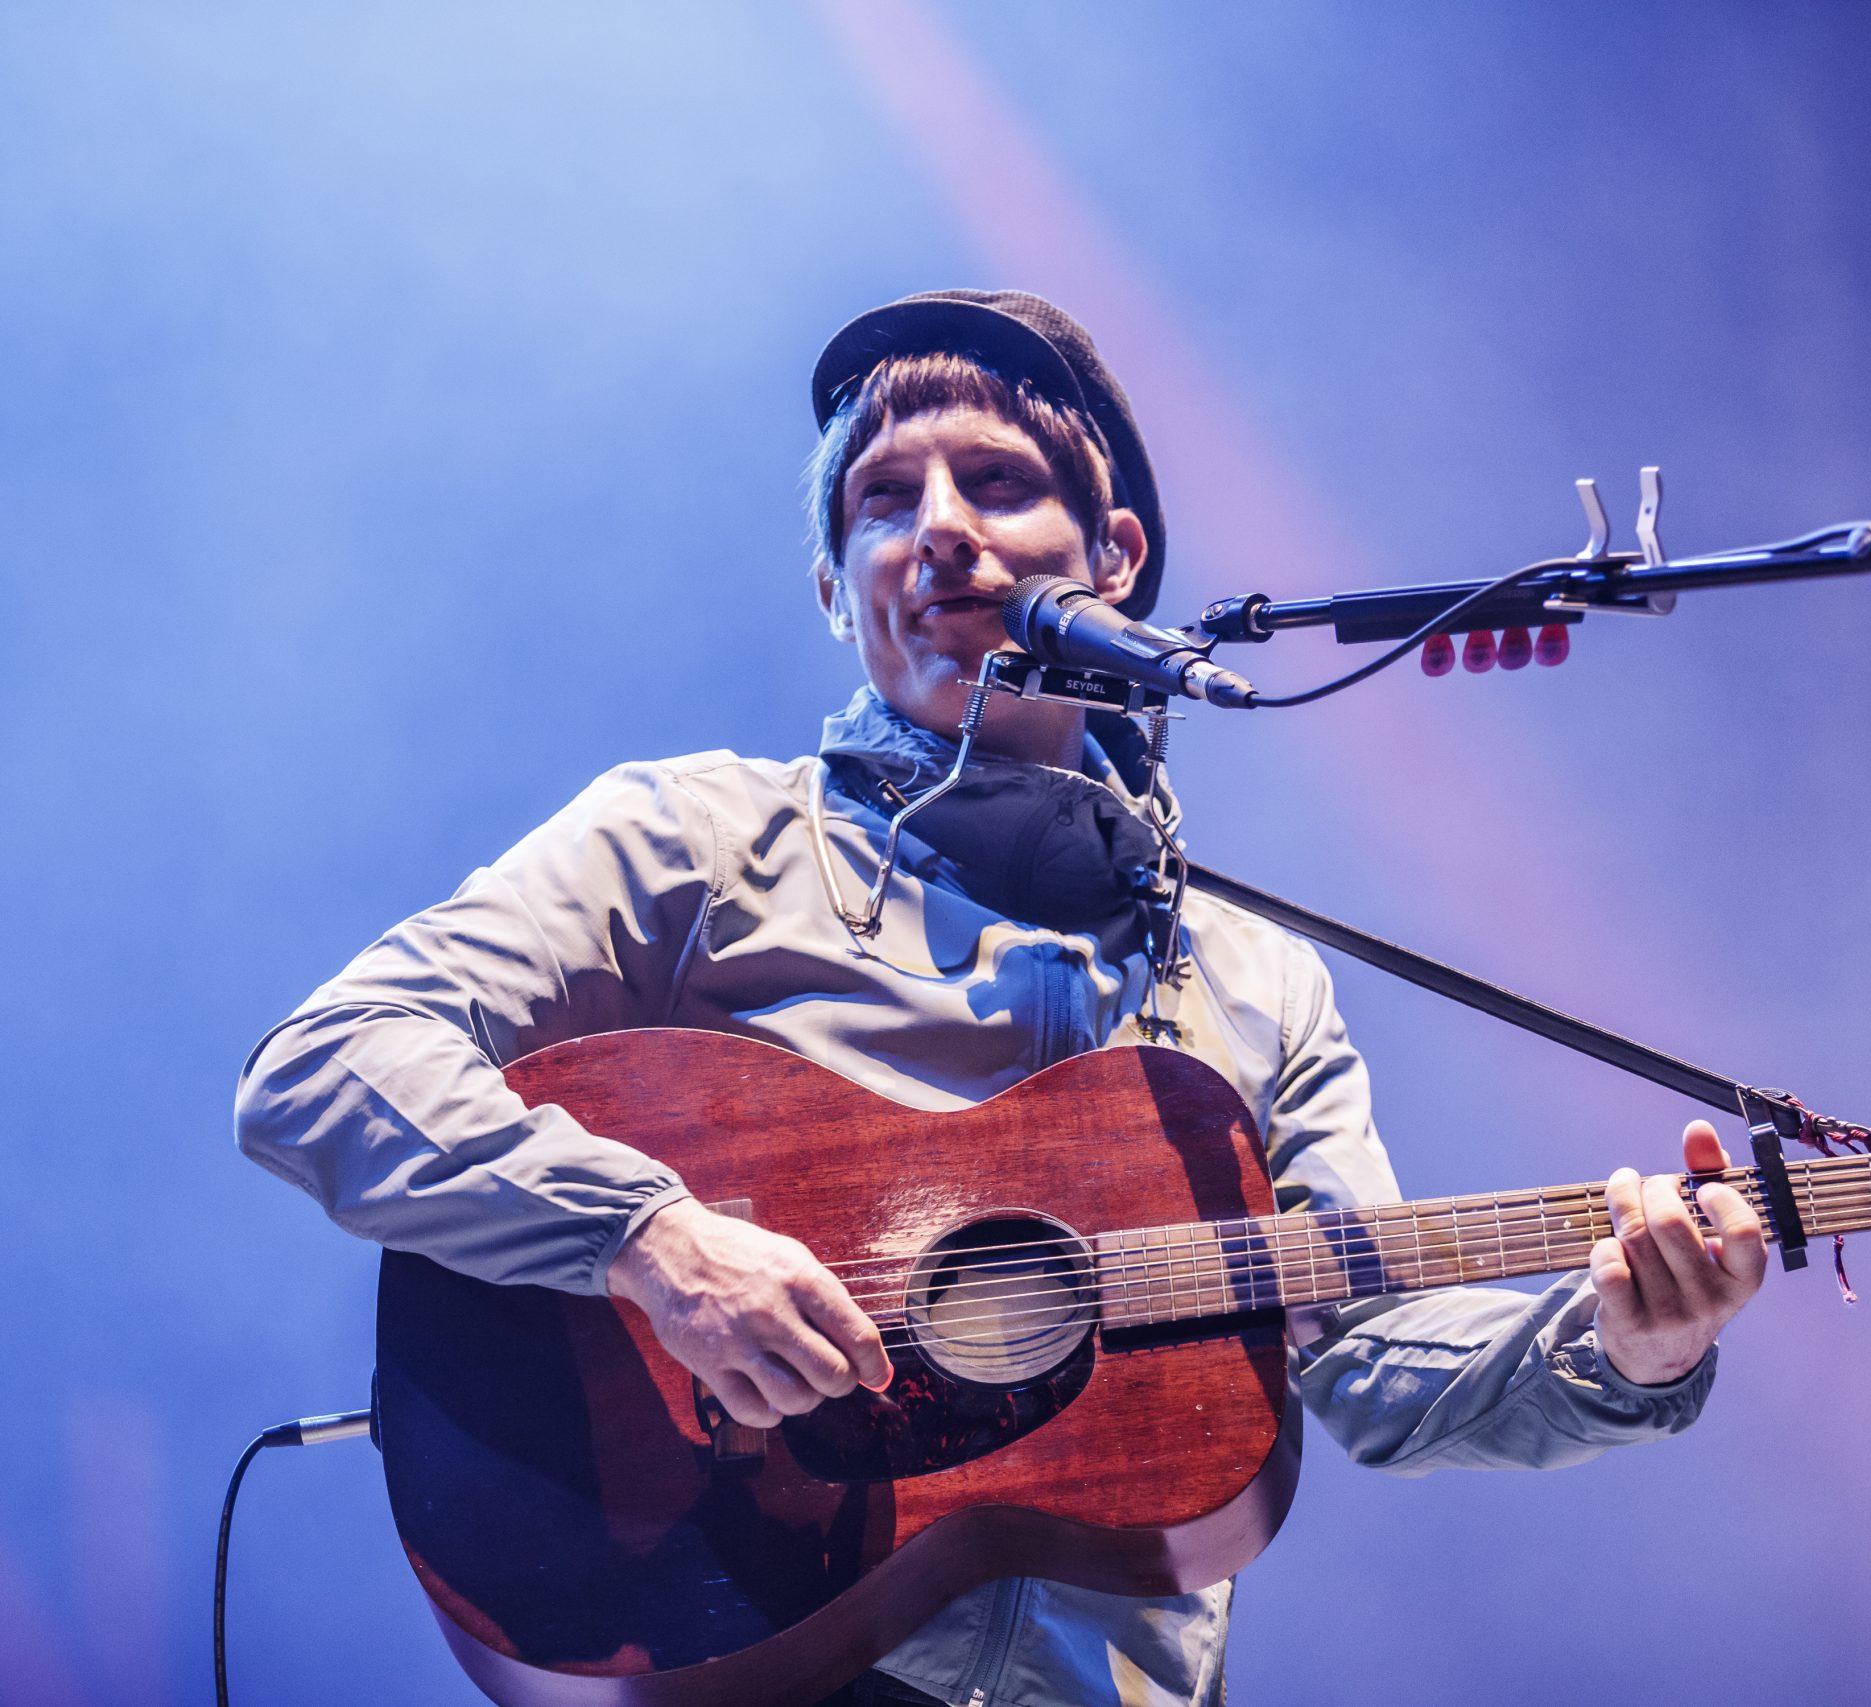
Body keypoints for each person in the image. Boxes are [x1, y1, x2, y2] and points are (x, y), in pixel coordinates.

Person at [235, 289, 1767, 1707]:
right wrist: (653, 1240)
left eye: (998, 485)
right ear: (838, 590)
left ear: (1112, 557)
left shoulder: (1253, 975)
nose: (939, 533)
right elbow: (327, 1067)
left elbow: (1367, 1362)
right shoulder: (696, 840)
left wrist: (1628, 1348)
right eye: (883, 503)